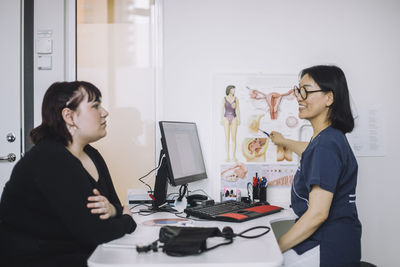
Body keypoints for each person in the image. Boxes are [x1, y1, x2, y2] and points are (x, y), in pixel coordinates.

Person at [0, 81, 137, 266]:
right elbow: (94, 232)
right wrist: (127, 220)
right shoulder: (50, 159)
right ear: (69, 116)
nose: (104, 112)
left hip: (76, 252)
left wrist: (114, 211)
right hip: (42, 260)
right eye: (95, 106)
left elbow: (113, 207)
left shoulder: (91, 154)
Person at [269, 65, 361, 266]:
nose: (299, 97)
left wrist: (274, 248)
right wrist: (285, 142)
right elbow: (310, 151)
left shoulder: (325, 145)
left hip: (329, 248)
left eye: (306, 91)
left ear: (329, 98)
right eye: (298, 90)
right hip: (342, 242)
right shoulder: (330, 138)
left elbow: (318, 214)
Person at [221, 85, 240, 162]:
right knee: (227, 138)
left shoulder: (236, 99)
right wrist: (221, 119)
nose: (234, 91)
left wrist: (239, 119)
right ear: (229, 90)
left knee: (234, 138)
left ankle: (234, 156)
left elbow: (238, 109)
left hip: (234, 118)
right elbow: (222, 109)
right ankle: (227, 156)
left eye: (234, 90)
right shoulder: (224, 98)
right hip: (226, 118)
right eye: (232, 90)